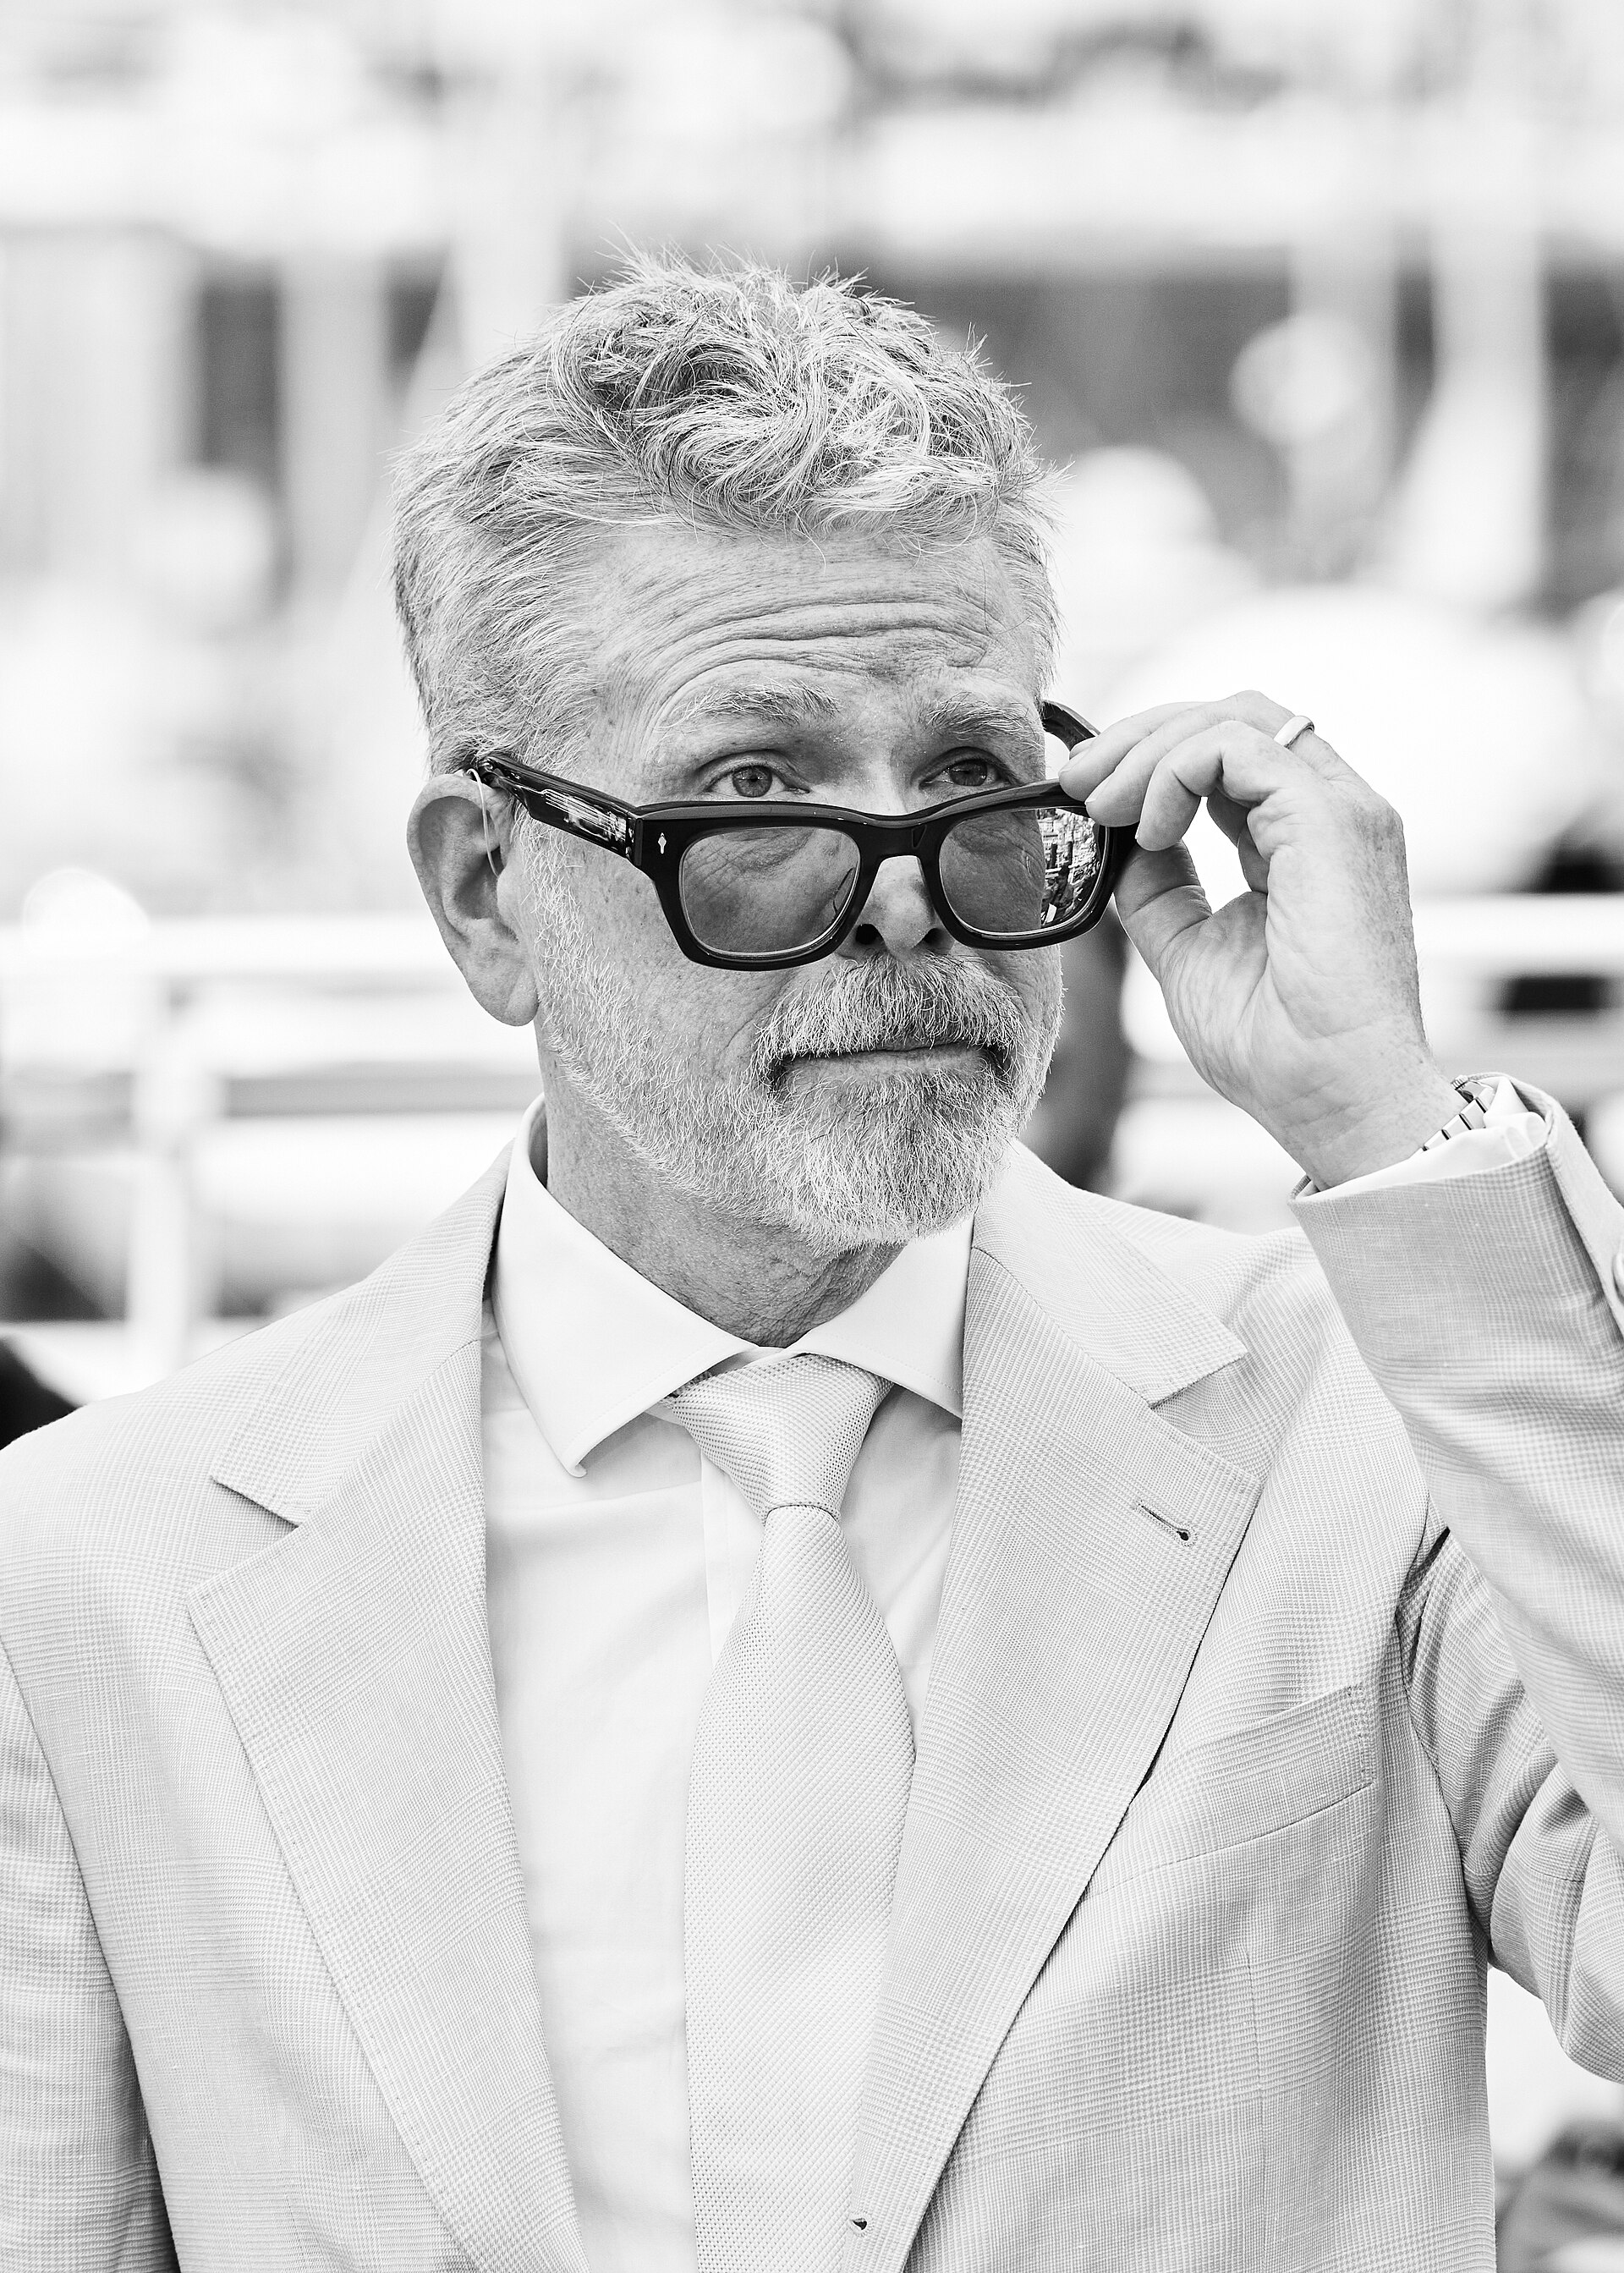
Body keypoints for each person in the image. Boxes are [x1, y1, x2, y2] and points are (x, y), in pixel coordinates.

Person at [4, 255, 1624, 2273]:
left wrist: (1390, 1131)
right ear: (486, 893)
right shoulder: (97, 1565)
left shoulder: (1371, 1417)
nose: (904, 912)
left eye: (967, 779)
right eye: (754, 794)